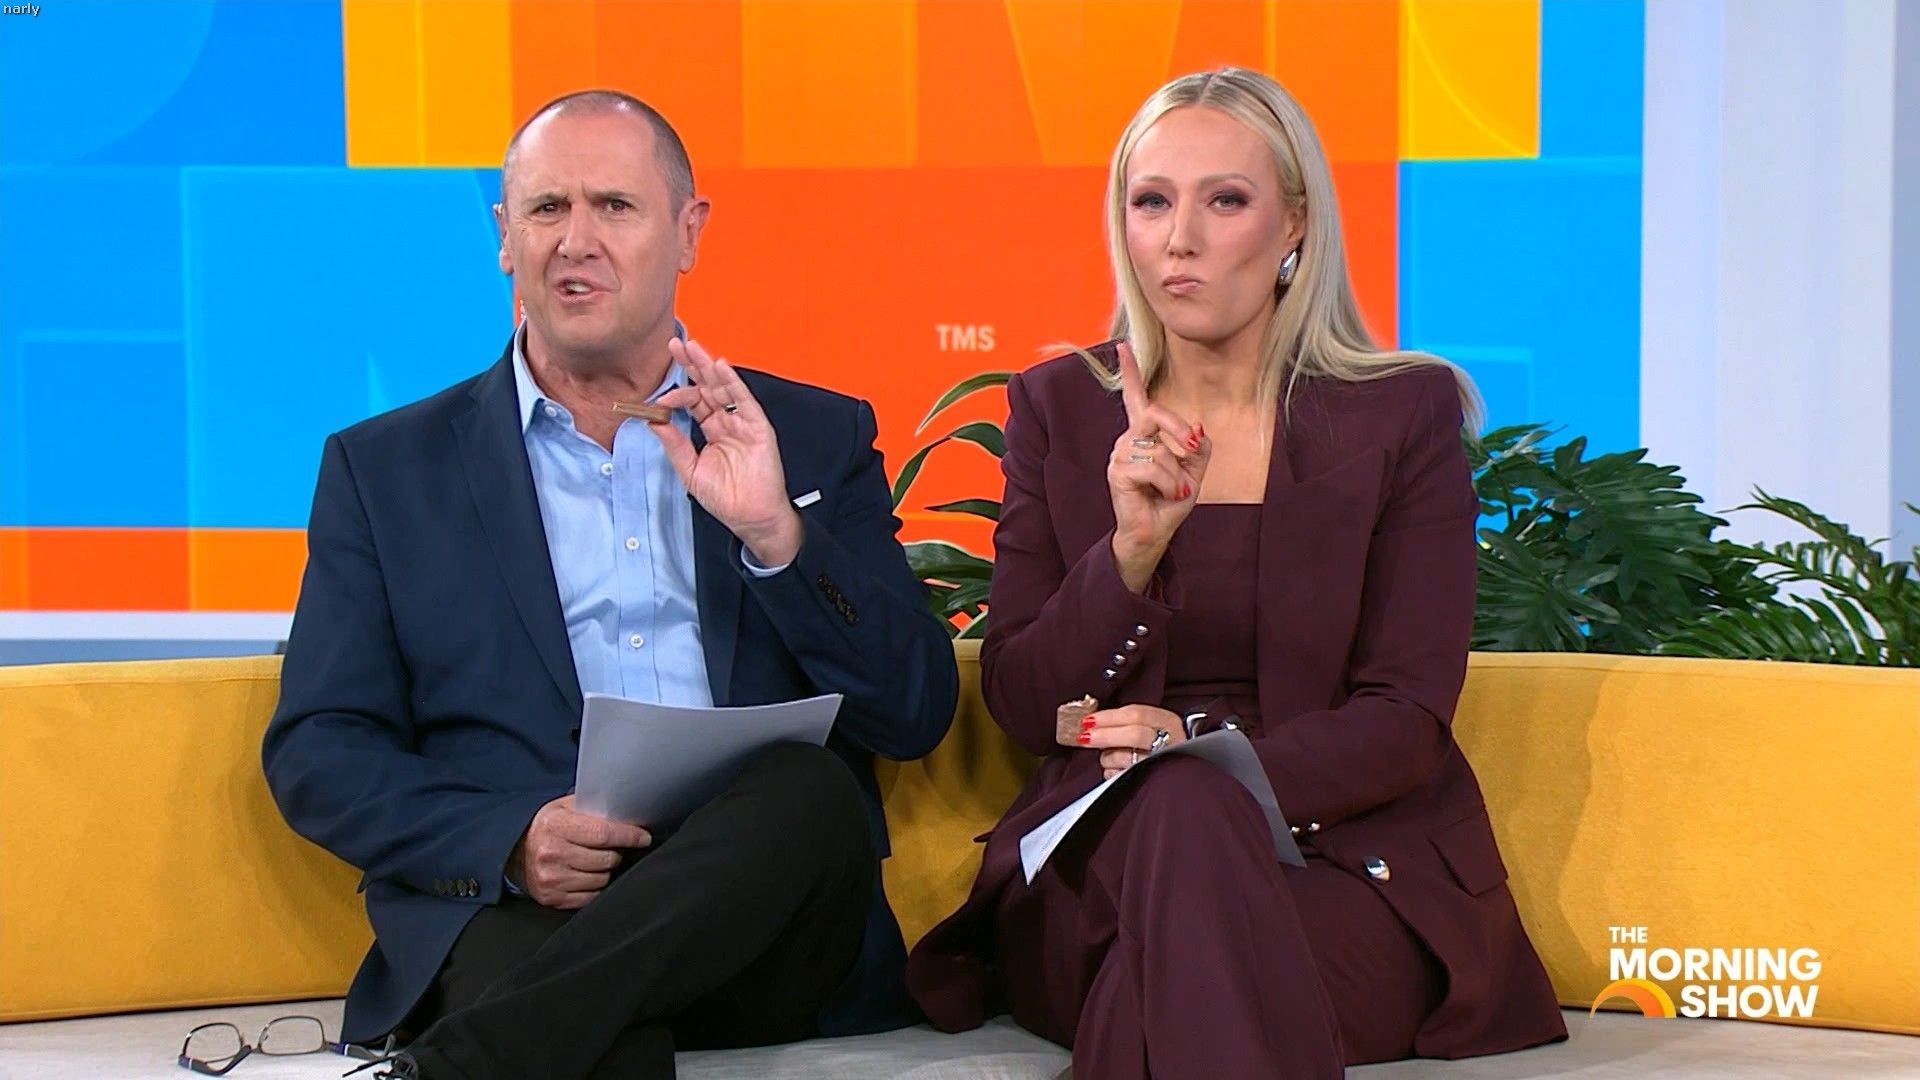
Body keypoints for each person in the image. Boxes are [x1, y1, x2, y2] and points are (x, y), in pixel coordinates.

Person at [261, 89, 958, 1079]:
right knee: (592, 1035)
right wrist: (508, 839)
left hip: (766, 916)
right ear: (505, 238)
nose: (574, 241)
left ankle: (457, 1066)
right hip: (534, 908)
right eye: (547, 209)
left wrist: (778, 536)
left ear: (688, 232)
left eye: (614, 207)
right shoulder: (387, 471)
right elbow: (320, 748)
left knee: (808, 792)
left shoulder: (809, 436)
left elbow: (915, 710)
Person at [904, 67, 1567, 1078]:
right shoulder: (1061, 409)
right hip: (1105, 862)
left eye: (1224, 200)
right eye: (1151, 201)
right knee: (1176, 832)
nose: (1180, 239)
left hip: (1343, 860)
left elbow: (1406, 716)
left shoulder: (1400, 414)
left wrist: (1205, 754)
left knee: (1167, 946)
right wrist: (1129, 555)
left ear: (1294, 222)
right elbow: (1029, 704)